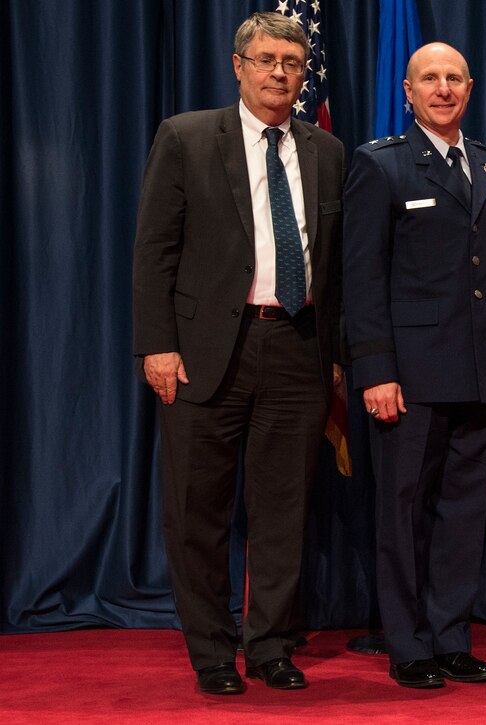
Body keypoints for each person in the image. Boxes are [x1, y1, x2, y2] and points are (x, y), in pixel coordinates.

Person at [131, 12, 344, 695]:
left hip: (297, 347)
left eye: (292, 61)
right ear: (239, 65)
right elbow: (153, 252)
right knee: (199, 510)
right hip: (203, 351)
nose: (280, 72)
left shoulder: (326, 151)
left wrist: (336, 352)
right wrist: (157, 345)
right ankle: (213, 653)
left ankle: (272, 644)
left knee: (283, 510)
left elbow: (335, 265)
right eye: (267, 59)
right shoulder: (188, 137)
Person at [342, 42, 486, 690]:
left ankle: (451, 637)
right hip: (409, 376)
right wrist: (375, 370)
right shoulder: (380, 165)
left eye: (453, 79)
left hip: (478, 371)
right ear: (408, 90)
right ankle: (408, 642)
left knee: (463, 514)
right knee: (403, 511)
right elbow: (361, 280)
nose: (443, 88)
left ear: (469, 89)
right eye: (430, 79)